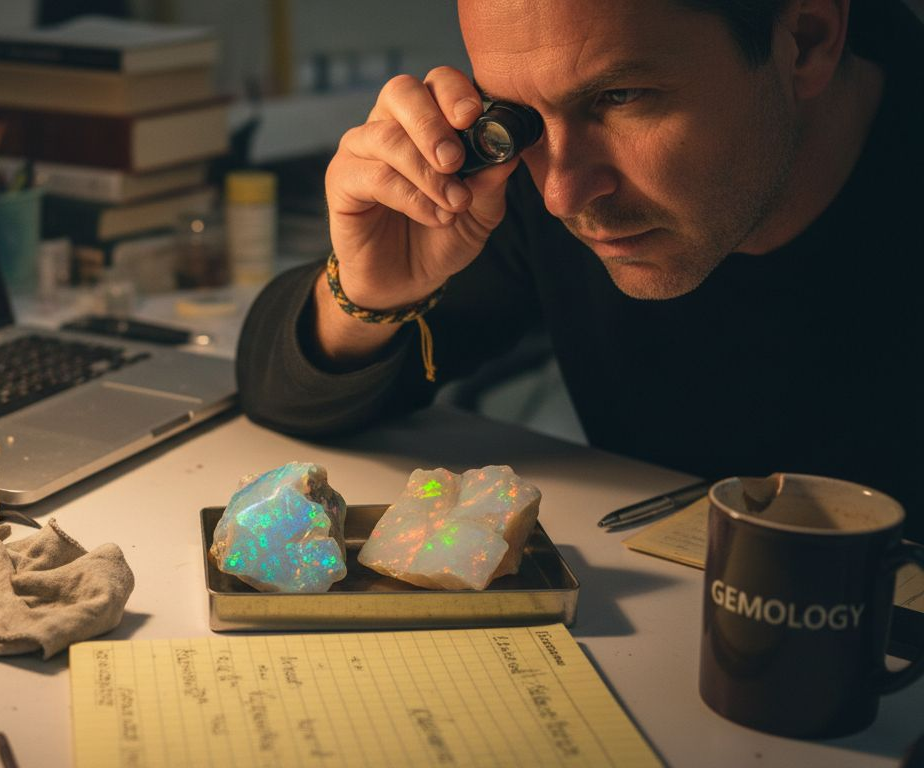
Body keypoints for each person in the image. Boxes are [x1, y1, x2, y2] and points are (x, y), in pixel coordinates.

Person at [236, 0, 923, 539]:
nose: (562, 193)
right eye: (520, 116)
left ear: (804, 39)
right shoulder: (540, 180)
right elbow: (283, 394)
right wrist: (365, 293)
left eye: (621, 98)